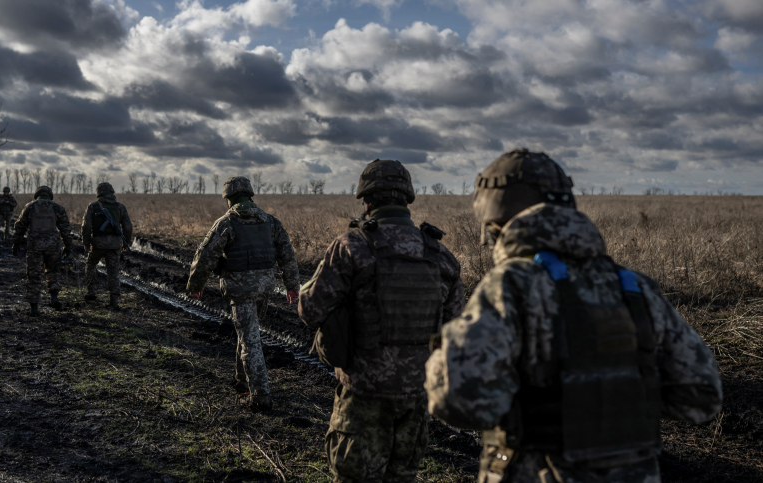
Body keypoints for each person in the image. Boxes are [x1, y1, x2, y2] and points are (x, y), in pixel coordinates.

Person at [424, 149, 723, 483]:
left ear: (495, 218)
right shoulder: (635, 288)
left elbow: (456, 399)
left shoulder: (513, 285)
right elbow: (701, 397)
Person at [298, 159, 465, 483]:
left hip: (364, 395)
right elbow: (455, 329)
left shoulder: (351, 246)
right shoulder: (439, 255)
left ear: (367, 200)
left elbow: (310, 311)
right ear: (407, 198)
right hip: (416, 397)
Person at [186, 176, 300, 411]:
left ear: (228, 199)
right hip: (265, 289)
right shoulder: (270, 221)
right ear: (250, 196)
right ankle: (241, 383)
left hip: (239, 290)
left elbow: (205, 257)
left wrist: (195, 286)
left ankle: (260, 396)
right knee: (247, 333)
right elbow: (287, 254)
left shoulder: (225, 223)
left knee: (250, 340)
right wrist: (292, 286)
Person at [12, 186, 74, 317]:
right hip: (53, 247)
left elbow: (19, 226)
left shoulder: (29, 207)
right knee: (53, 272)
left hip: (34, 247)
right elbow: (66, 229)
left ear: (37, 194)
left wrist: (16, 243)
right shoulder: (58, 207)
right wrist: (68, 246)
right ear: (49, 195)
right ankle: (54, 298)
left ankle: (34, 308)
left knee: (34, 276)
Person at [81, 182, 132, 310]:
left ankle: (91, 292)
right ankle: (114, 301)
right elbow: (128, 227)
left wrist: (86, 243)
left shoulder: (92, 206)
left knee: (91, 265)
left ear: (99, 192)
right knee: (113, 272)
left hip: (97, 244)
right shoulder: (120, 207)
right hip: (114, 245)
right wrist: (126, 242)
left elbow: (86, 226)